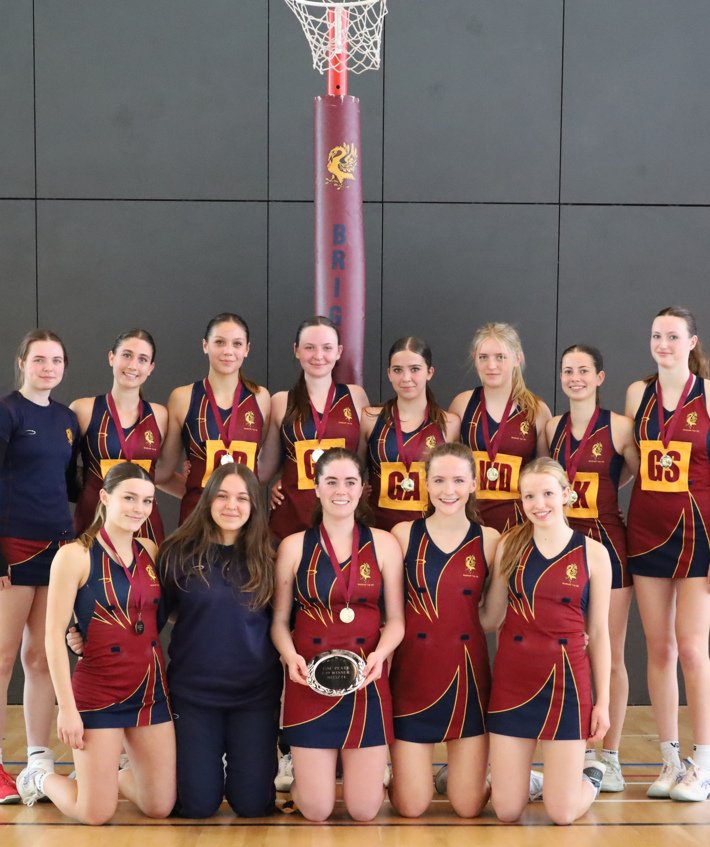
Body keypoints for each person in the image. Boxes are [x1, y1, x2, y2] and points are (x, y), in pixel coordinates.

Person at [16, 463, 175, 825]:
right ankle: (39, 778)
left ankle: (109, 777)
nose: (139, 508)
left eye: (147, 501)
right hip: (99, 692)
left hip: (150, 690)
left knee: (160, 806)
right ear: (105, 497)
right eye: (129, 498)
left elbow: (154, 615)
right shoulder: (73, 555)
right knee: (96, 813)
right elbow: (53, 636)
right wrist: (67, 708)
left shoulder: (150, 548)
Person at [271, 448, 404, 821]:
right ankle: (299, 776)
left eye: (349, 482)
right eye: (331, 482)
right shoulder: (294, 546)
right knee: (316, 810)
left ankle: (375, 774)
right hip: (308, 681)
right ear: (316, 488)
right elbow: (280, 622)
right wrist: (289, 656)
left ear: (363, 488)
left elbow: (396, 620)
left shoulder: (384, 543)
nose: (340, 490)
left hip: (367, 680)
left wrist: (381, 654)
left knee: (363, 811)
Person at [483, 458, 612, 825]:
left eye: (548, 493)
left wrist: (601, 703)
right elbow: (491, 618)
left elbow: (599, 634)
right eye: (529, 496)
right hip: (513, 680)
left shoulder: (594, 554)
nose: (539, 504)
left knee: (562, 813)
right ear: (521, 501)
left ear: (567, 495)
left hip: (567, 683)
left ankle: (589, 776)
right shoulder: (509, 545)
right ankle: (541, 780)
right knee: (506, 810)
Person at [158, 463, 282, 818]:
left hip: (255, 696)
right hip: (194, 696)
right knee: (197, 806)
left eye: (242, 498)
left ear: (254, 505)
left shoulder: (270, 554)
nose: (232, 505)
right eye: (223, 496)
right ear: (208, 500)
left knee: (253, 805)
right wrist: (82, 635)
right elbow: (147, 618)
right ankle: (130, 776)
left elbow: (286, 623)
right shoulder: (177, 552)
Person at [625, 306, 710, 802]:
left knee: (694, 649)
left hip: (698, 533)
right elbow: (634, 462)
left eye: (673, 336)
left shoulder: (707, 395)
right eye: (657, 335)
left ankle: (703, 759)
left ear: (692, 341)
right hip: (647, 529)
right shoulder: (639, 394)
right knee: (660, 649)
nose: (663, 344)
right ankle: (670, 758)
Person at [388, 443, 500, 818]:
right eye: (438, 480)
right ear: (425, 483)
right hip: (413, 676)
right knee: (411, 807)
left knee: (468, 807)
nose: (448, 489)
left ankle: (514, 778)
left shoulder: (490, 540)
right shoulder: (402, 535)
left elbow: (491, 617)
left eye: (457, 480)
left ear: (473, 484)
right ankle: (396, 774)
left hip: (466, 676)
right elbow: (389, 612)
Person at [546, 344, 638, 792]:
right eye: (568, 371)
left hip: (607, 545)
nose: (575, 377)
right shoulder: (551, 428)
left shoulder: (619, 427)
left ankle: (612, 755)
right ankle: (574, 749)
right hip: (562, 548)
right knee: (570, 649)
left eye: (584, 371)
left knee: (611, 653)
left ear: (600, 377)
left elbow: (633, 475)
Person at [0, 330, 78, 804]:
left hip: (57, 549)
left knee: (41, 658)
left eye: (56, 359)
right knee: (4, 657)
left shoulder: (68, 418)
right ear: (22, 363)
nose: (48, 367)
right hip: (13, 549)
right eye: (39, 359)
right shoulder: (7, 411)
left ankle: (37, 760)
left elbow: (68, 485)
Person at [260, 317, 369, 543]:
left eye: (327, 348)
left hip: (343, 516)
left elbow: (363, 460)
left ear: (339, 351)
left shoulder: (355, 396)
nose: (318, 356)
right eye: (309, 347)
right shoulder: (281, 401)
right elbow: (265, 468)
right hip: (291, 519)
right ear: (296, 350)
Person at [160, 313, 270, 523]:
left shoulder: (260, 397)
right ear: (205, 345)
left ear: (247, 349)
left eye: (237, 344)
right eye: (219, 342)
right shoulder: (182, 398)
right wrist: (194, 487)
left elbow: (263, 465)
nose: (228, 351)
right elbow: (163, 472)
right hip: (196, 519)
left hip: (245, 520)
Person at [450, 323, 551, 533]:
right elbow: (447, 464)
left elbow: (545, 475)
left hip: (519, 524)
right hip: (467, 520)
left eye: (500, 357)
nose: (491, 365)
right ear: (474, 358)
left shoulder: (537, 410)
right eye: (483, 357)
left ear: (517, 358)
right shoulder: (462, 404)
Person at [71, 329, 167, 544]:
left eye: (142, 359)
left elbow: (166, 472)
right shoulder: (84, 409)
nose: (133, 365)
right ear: (111, 357)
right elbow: (65, 471)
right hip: (94, 519)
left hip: (143, 523)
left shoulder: (160, 415)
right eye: (126, 355)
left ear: (150, 368)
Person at [362, 337, 460, 531]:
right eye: (398, 370)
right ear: (389, 374)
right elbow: (353, 471)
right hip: (377, 530)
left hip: (429, 533)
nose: (406, 378)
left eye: (415, 369)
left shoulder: (449, 424)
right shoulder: (370, 418)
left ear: (429, 372)